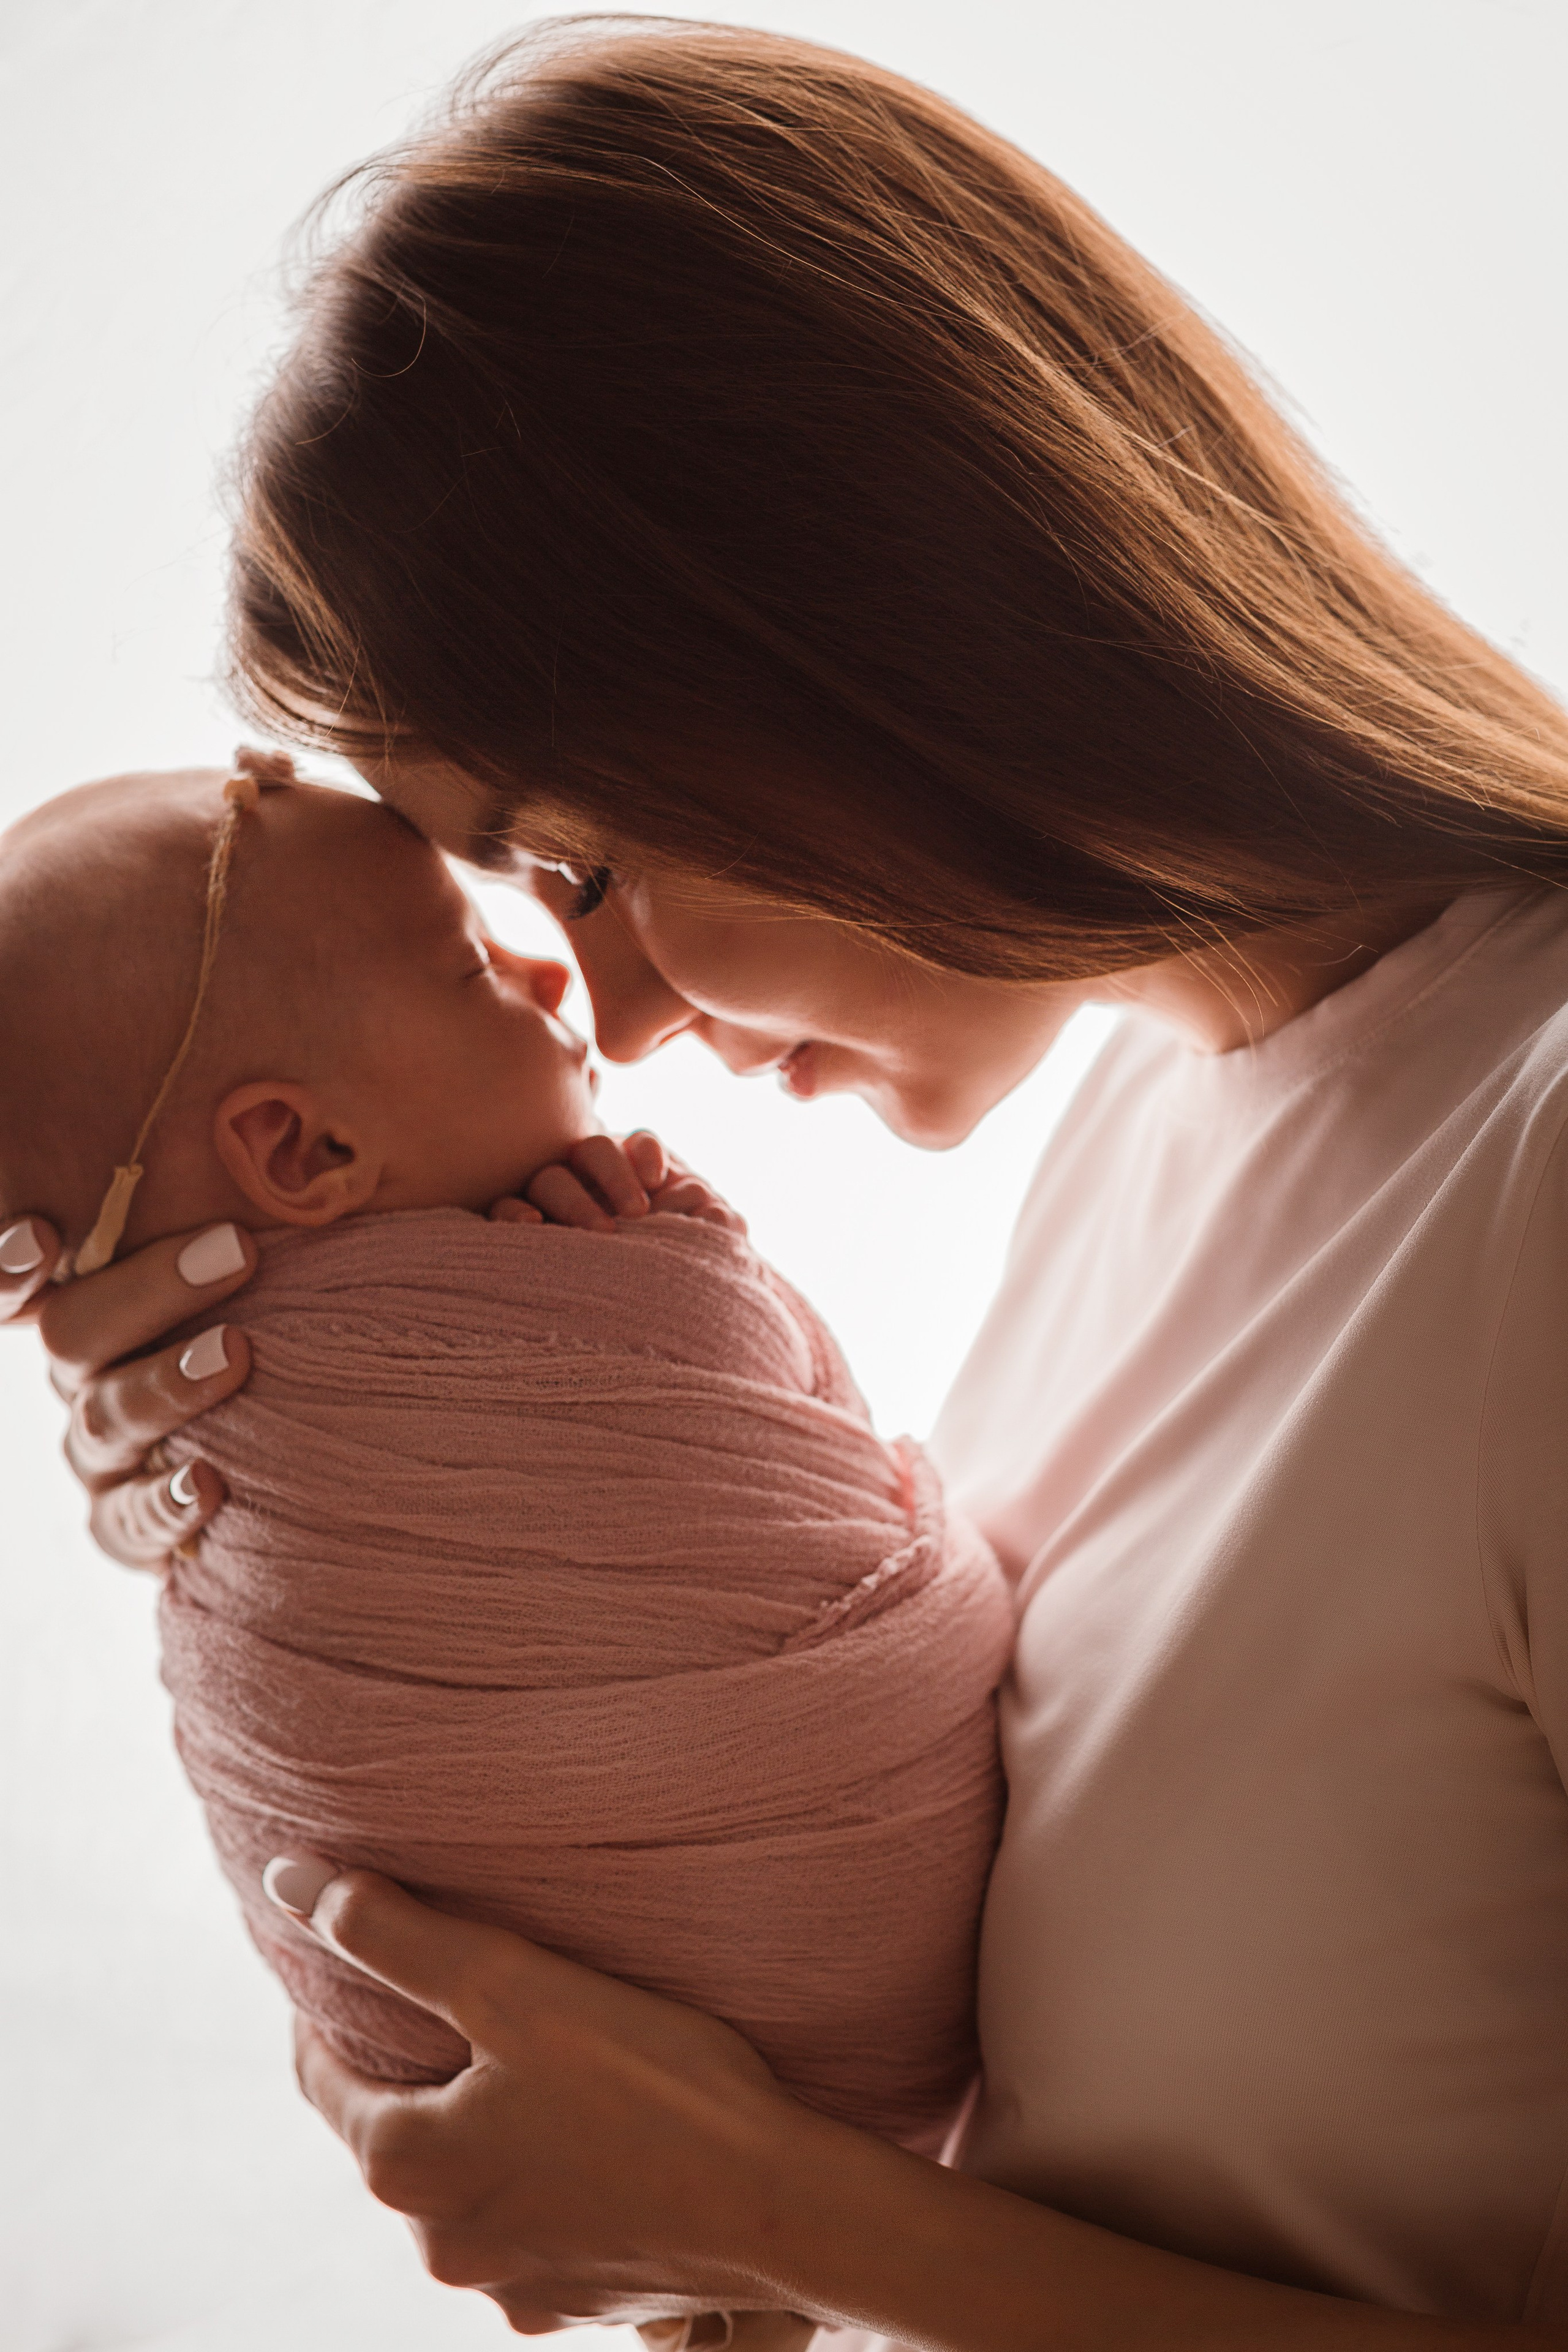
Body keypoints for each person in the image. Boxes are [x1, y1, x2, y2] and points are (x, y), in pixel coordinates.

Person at [7, 16, 1568, 2346]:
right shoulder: (1161, 1113)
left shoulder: (1536, 1175)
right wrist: (329, 1473)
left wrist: (775, 2217)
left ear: (886, 627)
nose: (614, 1022)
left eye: (586, 859)